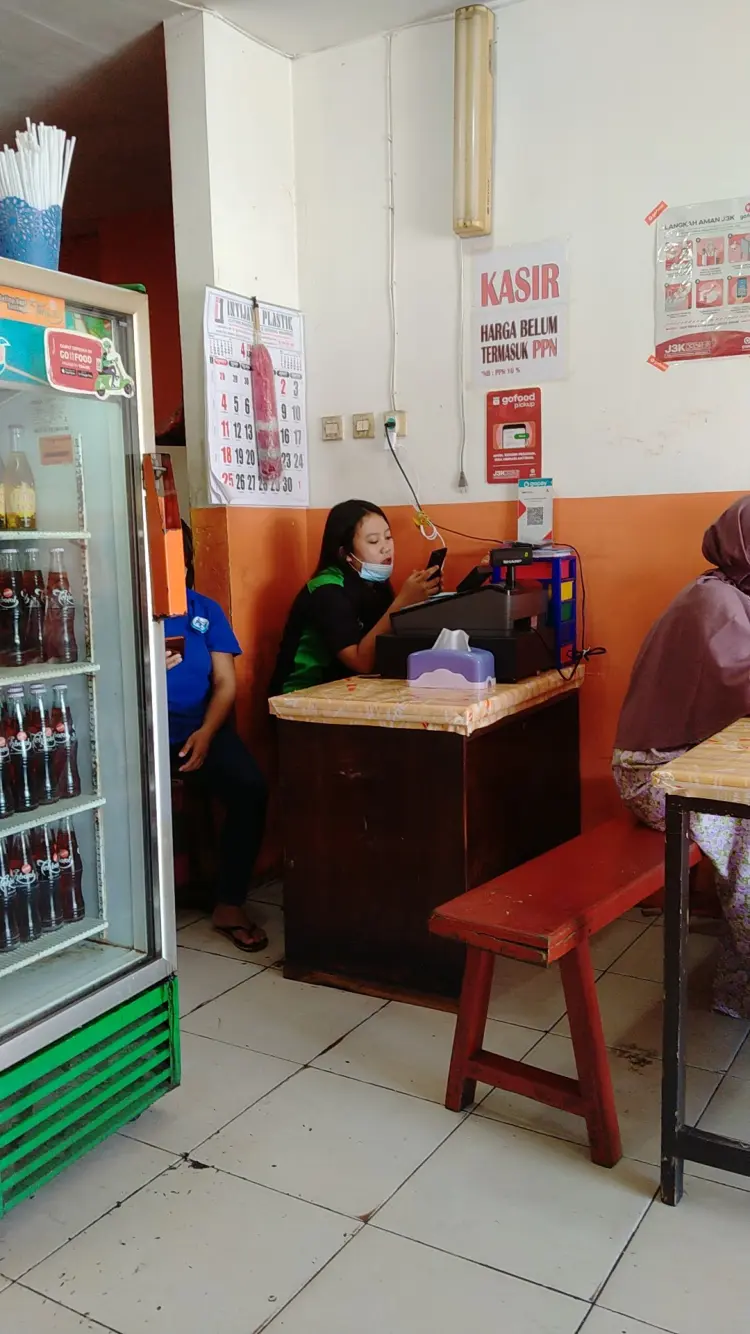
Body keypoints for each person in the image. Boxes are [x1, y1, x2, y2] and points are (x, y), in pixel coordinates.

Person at [613, 495, 750, 1019]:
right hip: (654, 774)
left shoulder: (735, 593)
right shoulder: (713, 604)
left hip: (690, 765)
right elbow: (741, 686)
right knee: (746, 834)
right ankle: (741, 984)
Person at [166, 524, 268, 952]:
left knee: (250, 787)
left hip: (201, 728)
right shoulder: (118, 608)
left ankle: (229, 902)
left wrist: (207, 734)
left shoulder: (203, 611)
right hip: (137, 735)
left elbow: (226, 683)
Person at [270, 498, 440, 695]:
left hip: (351, 691)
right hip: (301, 697)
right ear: (346, 554)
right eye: (373, 541)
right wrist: (401, 603)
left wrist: (420, 600)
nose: (386, 548)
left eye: (388, 537)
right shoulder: (326, 591)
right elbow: (361, 662)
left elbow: (386, 642)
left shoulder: (374, 583)